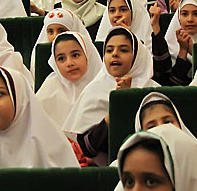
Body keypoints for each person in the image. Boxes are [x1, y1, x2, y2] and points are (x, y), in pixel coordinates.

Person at [62, 26, 159, 165]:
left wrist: (130, 98)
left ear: (138, 56)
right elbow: (88, 147)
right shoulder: (94, 90)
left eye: (123, 50)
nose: (115, 54)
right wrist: (117, 104)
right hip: (107, 169)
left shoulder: (154, 91)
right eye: (109, 50)